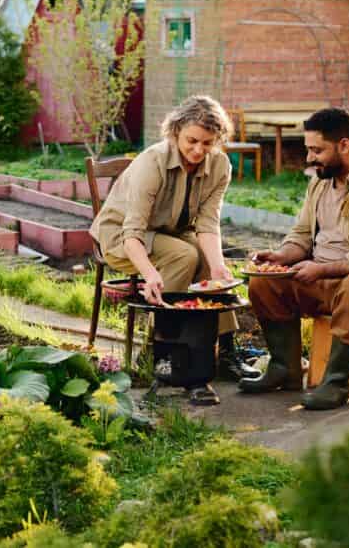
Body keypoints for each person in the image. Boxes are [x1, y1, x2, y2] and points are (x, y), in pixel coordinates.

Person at [238, 107, 349, 410]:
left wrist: (321, 269)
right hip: (321, 278)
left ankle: (335, 383)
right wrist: (281, 256)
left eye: (316, 150)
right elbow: (302, 235)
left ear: (345, 145)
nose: (309, 158)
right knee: (264, 283)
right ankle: (285, 369)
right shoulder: (321, 182)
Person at [89, 96, 252, 406]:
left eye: (207, 143)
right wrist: (149, 274)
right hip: (121, 235)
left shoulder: (219, 166)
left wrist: (218, 268)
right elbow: (132, 232)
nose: (198, 150)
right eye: (192, 140)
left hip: (169, 233)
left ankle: (225, 349)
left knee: (205, 258)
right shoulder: (152, 163)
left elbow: (207, 224)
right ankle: (163, 355)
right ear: (175, 131)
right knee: (184, 255)